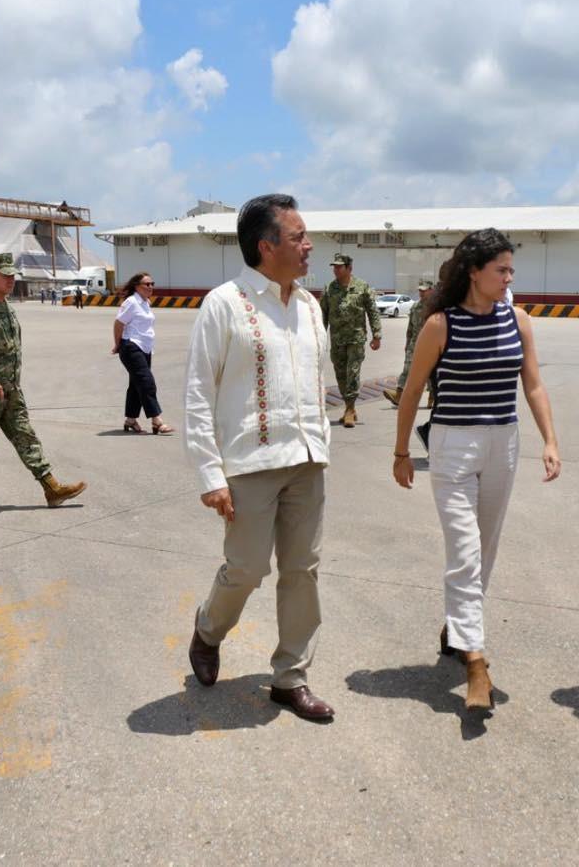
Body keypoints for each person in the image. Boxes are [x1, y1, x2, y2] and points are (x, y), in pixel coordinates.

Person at [392, 229, 562, 713]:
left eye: (511, 270)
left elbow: (532, 385)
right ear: (474, 271)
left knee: (485, 548)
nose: (509, 278)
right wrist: (401, 452)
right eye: (501, 270)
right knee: (465, 553)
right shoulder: (441, 325)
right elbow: (411, 392)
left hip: (502, 443)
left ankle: (458, 626)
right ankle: (476, 662)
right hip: (453, 445)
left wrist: (550, 439)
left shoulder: (520, 320)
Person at [183, 193, 336, 722]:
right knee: (247, 569)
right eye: (298, 237)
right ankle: (207, 631)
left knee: (303, 570)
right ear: (266, 247)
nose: (308, 245)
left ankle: (290, 677)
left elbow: (317, 380)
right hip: (248, 463)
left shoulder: (312, 306)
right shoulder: (225, 303)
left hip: (307, 459)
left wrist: (321, 444)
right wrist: (210, 473)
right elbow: (199, 393)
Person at [0, 253, 87, 516]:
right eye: (4, 275)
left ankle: (51, 487)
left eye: (12, 275)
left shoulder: (6, 306)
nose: (11, 279)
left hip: (11, 388)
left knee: (25, 436)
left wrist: (8, 383)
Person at [321, 253, 381, 427]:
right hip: (337, 340)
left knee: (352, 372)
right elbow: (323, 315)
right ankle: (350, 408)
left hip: (356, 339)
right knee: (340, 375)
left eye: (339, 266)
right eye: (334, 266)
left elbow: (373, 311)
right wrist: (319, 337)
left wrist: (376, 334)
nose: (336, 269)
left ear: (349, 268)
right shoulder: (329, 289)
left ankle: (349, 409)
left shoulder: (362, 287)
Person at [112, 272, 174, 435]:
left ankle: (131, 420)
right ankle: (157, 420)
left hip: (145, 348)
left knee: (136, 385)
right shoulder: (131, 302)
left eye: (152, 284)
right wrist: (118, 344)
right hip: (131, 346)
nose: (151, 287)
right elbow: (118, 323)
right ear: (136, 286)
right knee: (147, 382)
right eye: (147, 284)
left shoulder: (146, 302)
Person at [383, 279, 434, 407]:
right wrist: (407, 343)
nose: (421, 293)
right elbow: (410, 327)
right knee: (407, 369)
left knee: (431, 373)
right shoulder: (415, 306)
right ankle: (398, 395)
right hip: (414, 343)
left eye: (424, 290)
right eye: (420, 290)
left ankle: (433, 396)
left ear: (431, 291)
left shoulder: (436, 306)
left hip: (431, 344)